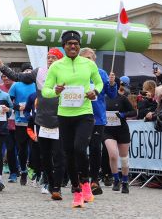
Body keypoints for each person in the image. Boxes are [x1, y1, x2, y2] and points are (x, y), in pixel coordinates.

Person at [42, 31, 103, 208]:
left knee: (79, 148)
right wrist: (56, 91)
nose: (73, 46)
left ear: (79, 45)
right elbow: (46, 90)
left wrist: (95, 92)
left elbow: (99, 83)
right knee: (68, 152)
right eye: (69, 43)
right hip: (65, 115)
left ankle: (85, 182)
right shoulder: (56, 66)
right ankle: (76, 190)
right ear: (64, 46)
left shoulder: (88, 64)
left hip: (84, 113)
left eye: (76, 43)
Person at [0, 48, 65, 200]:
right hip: (42, 121)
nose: (50, 59)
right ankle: (48, 180)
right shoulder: (39, 72)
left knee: (59, 155)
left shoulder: (66, 74)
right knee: (45, 156)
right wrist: (2, 66)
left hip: (61, 121)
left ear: (60, 60)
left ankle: (57, 187)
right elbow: (17, 76)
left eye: (54, 57)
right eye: (48, 57)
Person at [79, 48, 117, 196]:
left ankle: (94, 180)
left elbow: (112, 94)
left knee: (95, 149)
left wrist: (112, 83)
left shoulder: (101, 73)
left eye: (91, 58)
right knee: (80, 150)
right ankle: (81, 179)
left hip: (98, 118)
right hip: (80, 116)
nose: (89, 61)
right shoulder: (76, 73)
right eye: (86, 58)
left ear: (95, 60)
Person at [103, 73, 136, 194]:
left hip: (122, 130)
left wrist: (123, 115)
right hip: (107, 131)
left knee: (124, 159)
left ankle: (125, 181)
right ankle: (116, 179)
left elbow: (134, 112)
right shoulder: (103, 98)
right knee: (112, 155)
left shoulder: (122, 99)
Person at [7, 63, 37, 186]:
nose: (28, 72)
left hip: (34, 122)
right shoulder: (16, 85)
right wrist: (18, 106)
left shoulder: (37, 85)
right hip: (20, 122)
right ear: (21, 73)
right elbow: (8, 101)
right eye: (25, 71)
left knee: (34, 148)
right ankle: (23, 170)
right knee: (22, 149)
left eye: (30, 70)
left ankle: (33, 169)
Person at [0, 73, 19, 182]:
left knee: (22, 150)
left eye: (8, 76)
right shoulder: (0, 88)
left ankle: (23, 169)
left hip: (20, 123)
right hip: (6, 124)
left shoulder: (18, 86)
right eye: (3, 76)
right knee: (10, 149)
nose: (6, 78)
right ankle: (13, 173)